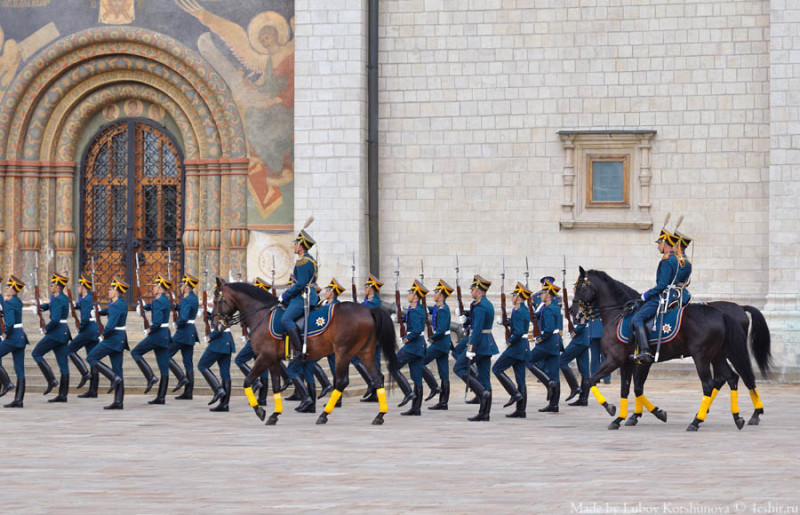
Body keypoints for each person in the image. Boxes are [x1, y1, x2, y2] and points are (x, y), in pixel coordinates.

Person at [630, 228, 680, 363]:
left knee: (637, 319)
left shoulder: (666, 260)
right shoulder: (677, 259)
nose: (658, 246)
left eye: (659, 243)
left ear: (665, 244)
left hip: (662, 297)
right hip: (673, 295)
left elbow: (662, 285)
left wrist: (645, 295)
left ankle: (645, 351)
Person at [87, 277, 129, 410]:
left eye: (110, 290)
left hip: (112, 339)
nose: (108, 292)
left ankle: (112, 377)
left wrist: (103, 334)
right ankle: (118, 401)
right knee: (118, 368)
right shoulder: (120, 303)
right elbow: (110, 311)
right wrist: (99, 312)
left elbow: (111, 325)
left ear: (116, 291)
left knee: (91, 357)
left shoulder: (116, 305)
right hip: (120, 339)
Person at [131, 274, 173, 404]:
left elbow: (158, 321)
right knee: (163, 367)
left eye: (155, 286)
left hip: (157, 334)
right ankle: (161, 397)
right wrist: (145, 306)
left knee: (135, 352)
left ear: (161, 289)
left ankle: (150, 376)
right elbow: (155, 306)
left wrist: (150, 329)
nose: (153, 288)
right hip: (164, 335)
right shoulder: (163, 299)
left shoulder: (159, 301)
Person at [279, 228, 319, 360]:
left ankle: (299, 349)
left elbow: (300, 283)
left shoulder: (302, 261)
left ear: (301, 246)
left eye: (296, 244)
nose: (294, 246)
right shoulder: (309, 259)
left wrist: (285, 295)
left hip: (303, 297)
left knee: (286, 319)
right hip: (307, 295)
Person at [493, 281, 532, 418]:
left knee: (497, 369)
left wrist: (510, 341)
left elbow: (519, 331)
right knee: (521, 379)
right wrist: (508, 322)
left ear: (520, 297)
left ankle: (514, 393)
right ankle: (521, 411)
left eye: (514, 295)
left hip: (516, 347)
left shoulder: (518, 311)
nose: (512, 297)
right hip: (523, 347)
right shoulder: (523, 310)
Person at [32, 272, 72, 403]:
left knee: (36, 353)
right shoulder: (63, 298)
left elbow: (54, 319)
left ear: (57, 286)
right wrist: (40, 307)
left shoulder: (57, 299)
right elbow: (51, 306)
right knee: (63, 365)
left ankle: (51, 380)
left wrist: (45, 328)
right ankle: (63, 395)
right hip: (64, 333)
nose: (50, 286)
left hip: (55, 334)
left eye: (52, 284)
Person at [234, 277, 273, 406]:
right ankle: (262, 398)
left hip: (257, 337)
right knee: (263, 365)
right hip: (259, 336)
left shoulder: (261, 306)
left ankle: (255, 381)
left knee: (240, 360)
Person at [465, 275, 499, 421]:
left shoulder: (480, 306)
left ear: (478, 290)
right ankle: (485, 413)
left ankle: (482, 394)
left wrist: (471, 347)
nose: (471, 291)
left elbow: (477, 329)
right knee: (485, 378)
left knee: (459, 368)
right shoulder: (487, 304)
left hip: (480, 344)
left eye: (472, 289)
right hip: (487, 343)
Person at [393, 279, 428, 416]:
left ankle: (408, 392)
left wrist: (406, 339)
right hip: (419, 346)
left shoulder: (414, 311)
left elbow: (417, 329)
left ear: (415, 296)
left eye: (410, 293)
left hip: (412, 346)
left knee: (393, 366)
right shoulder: (417, 309)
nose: (408, 295)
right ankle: (416, 408)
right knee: (417, 377)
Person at [530, 278, 563, 412]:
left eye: (543, 294)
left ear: (548, 295)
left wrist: (540, 339)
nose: (541, 295)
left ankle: (547, 383)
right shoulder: (552, 307)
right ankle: (554, 405)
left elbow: (548, 329)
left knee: (528, 361)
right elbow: (537, 315)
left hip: (547, 343)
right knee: (555, 374)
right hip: (555, 343)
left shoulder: (549, 309)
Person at [169, 273, 200, 400]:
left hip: (183, 332)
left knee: (165, 354)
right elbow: (186, 310)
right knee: (188, 362)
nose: (180, 287)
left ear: (187, 287)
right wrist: (177, 307)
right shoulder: (193, 298)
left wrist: (177, 323)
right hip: (190, 333)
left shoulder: (187, 299)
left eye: (182, 285)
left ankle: (181, 378)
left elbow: (185, 317)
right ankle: (188, 393)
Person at [198, 308, 236, 412]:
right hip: (227, 341)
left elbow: (221, 325)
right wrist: (209, 314)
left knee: (202, 365)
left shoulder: (221, 304)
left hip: (219, 341)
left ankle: (218, 389)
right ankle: (224, 404)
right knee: (225, 373)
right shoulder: (227, 304)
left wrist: (210, 336)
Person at [353, 274, 383, 402]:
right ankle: (373, 388)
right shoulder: (367, 301)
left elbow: (362, 311)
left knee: (374, 364)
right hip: (367, 338)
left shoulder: (374, 302)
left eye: (366, 287)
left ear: (371, 289)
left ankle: (375, 390)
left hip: (374, 338)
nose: (364, 289)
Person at [71, 274, 100, 398]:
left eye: (79, 285)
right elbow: (81, 306)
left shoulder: (87, 298)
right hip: (93, 331)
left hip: (88, 330)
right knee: (93, 358)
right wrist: (74, 304)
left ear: (83, 287)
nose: (78, 288)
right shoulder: (87, 298)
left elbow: (85, 318)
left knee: (69, 350)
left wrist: (80, 328)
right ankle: (93, 390)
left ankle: (84, 373)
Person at [1, 275, 28, 408]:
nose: (6, 289)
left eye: (7, 287)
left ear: (12, 289)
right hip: (21, 337)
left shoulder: (10, 303)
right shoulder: (17, 301)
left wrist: (5, 333)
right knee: (20, 369)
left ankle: (6, 383)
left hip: (12, 338)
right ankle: (19, 400)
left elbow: (10, 323)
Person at [425, 280, 453, 410]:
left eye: (436, 292)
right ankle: (443, 402)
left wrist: (432, 338)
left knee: (420, 361)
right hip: (443, 344)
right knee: (444, 372)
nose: (434, 294)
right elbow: (433, 310)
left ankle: (434, 386)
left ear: (441, 295)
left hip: (439, 343)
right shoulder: (439, 307)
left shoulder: (443, 310)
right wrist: (425, 308)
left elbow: (441, 330)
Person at [561, 299, 591, 407]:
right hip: (584, 341)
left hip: (579, 340)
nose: (575, 289)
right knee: (585, 372)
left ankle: (575, 388)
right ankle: (583, 399)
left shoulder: (583, 305)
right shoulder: (580, 304)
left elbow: (582, 323)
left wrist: (573, 332)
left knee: (562, 361)